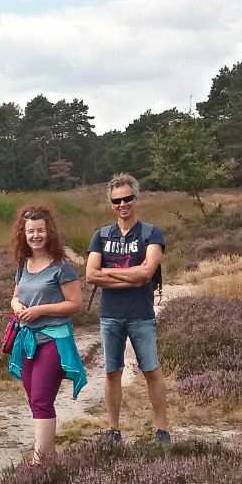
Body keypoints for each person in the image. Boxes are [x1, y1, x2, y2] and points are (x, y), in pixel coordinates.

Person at [85, 172, 170, 447]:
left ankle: (162, 430)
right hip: (110, 314)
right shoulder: (101, 235)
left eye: (128, 198)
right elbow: (90, 275)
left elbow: (147, 274)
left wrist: (109, 272)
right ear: (111, 204)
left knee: (151, 370)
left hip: (141, 314)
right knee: (112, 371)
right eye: (117, 200)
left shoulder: (151, 233)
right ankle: (113, 430)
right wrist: (130, 274)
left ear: (136, 198)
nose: (123, 204)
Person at [6, 205, 86, 463]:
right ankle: (47, 455)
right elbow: (16, 295)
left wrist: (41, 310)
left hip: (54, 339)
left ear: (49, 232)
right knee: (34, 398)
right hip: (28, 340)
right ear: (24, 234)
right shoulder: (24, 264)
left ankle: (40, 462)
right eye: (31, 231)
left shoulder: (62, 266)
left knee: (41, 398)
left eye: (40, 230)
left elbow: (74, 303)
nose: (36, 235)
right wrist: (17, 306)